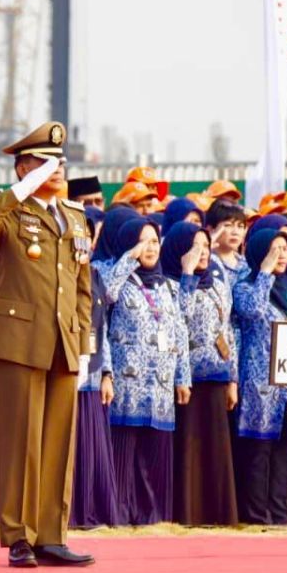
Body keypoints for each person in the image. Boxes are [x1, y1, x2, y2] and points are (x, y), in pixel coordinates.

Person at [0, 120, 95, 567]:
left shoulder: (75, 217)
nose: (57, 169)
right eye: (45, 162)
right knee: (22, 439)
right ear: (23, 167)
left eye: (60, 162)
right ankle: (19, 535)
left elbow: (82, 287)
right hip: (18, 338)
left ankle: (51, 535)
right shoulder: (10, 210)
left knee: (59, 439)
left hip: (62, 339)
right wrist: (22, 189)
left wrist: (84, 343)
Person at [105, 218, 190, 525]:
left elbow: (179, 332)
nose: (150, 248)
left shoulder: (168, 286)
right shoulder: (117, 280)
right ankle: (119, 516)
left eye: (154, 241)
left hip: (161, 386)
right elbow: (108, 294)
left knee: (156, 459)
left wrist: (183, 378)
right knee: (123, 456)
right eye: (142, 241)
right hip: (127, 387)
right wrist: (130, 258)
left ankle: (153, 518)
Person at [162, 222, 238, 526]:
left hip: (217, 376)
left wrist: (232, 378)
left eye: (205, 247)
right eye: (195, 247)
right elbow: (182, 316)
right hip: (187, 379)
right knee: (190, 448)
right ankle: (189, 514)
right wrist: (188, 276)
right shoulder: (171, 283)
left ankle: (218, 515)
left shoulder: (218, 284)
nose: (202, 253)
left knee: (216, 448)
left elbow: (227, 331)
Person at [234, 226, 287, 525]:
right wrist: (265, 272)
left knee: (285, 453)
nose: (282, 255)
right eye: (275, 249)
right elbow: (251, 311)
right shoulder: (245, 285)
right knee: (259, 451)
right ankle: (255, 516)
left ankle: (280, 515)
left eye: (285, 249)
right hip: (259, 381)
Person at [71, 206, 118, 528]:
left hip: (93, 370)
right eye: (77, 236)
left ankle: (93, 512)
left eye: (87, 236)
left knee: (94, 451)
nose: (82, 242)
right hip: (65, 372)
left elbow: (104, 329)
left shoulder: (97, 276)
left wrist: (107, 374)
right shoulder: (56, 274)